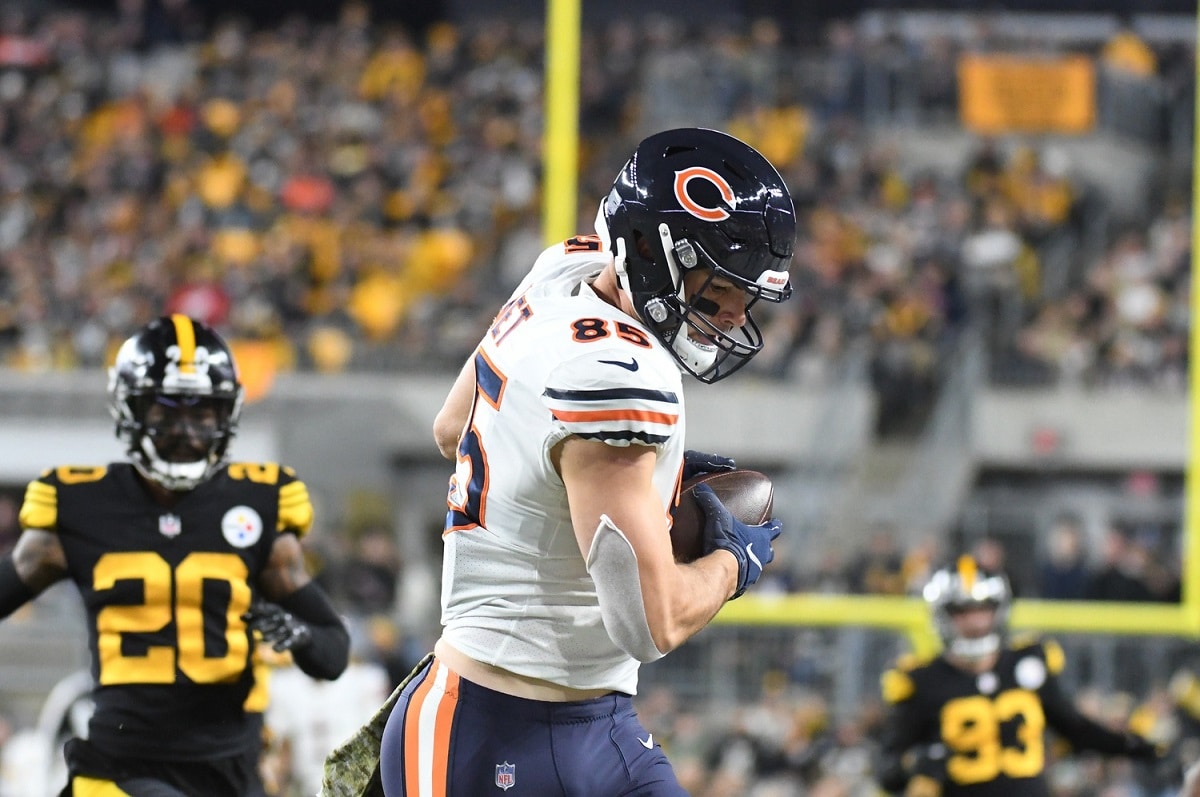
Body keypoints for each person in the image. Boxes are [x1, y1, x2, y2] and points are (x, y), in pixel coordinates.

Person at [321, 127, 795, 796]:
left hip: (597, 721)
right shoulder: (618, 376)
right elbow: (649, 623)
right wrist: (730, 562)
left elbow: (451, 425)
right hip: (485, 732)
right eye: (717, 287)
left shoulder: (564, 269)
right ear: (656, 256)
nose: (732, 314)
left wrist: (593, 478)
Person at [0, 314, 350, 796]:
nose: (185, 431)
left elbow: (333, 654)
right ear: (131, 409)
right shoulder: (81, 504)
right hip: (120, 768)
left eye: (202, 413)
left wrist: (299, 636)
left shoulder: (259, 503)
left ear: (225, 415)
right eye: (166, 413)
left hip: (229, 770)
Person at [875, 554, 1161, 797]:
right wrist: (912, 765)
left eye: (982, 610)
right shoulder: (921, 681)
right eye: (961, 611)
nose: (974, 622)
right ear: (943, 616)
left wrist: (1138, 747)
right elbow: (886, 772)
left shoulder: (1028, 662)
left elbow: (1075, 729)